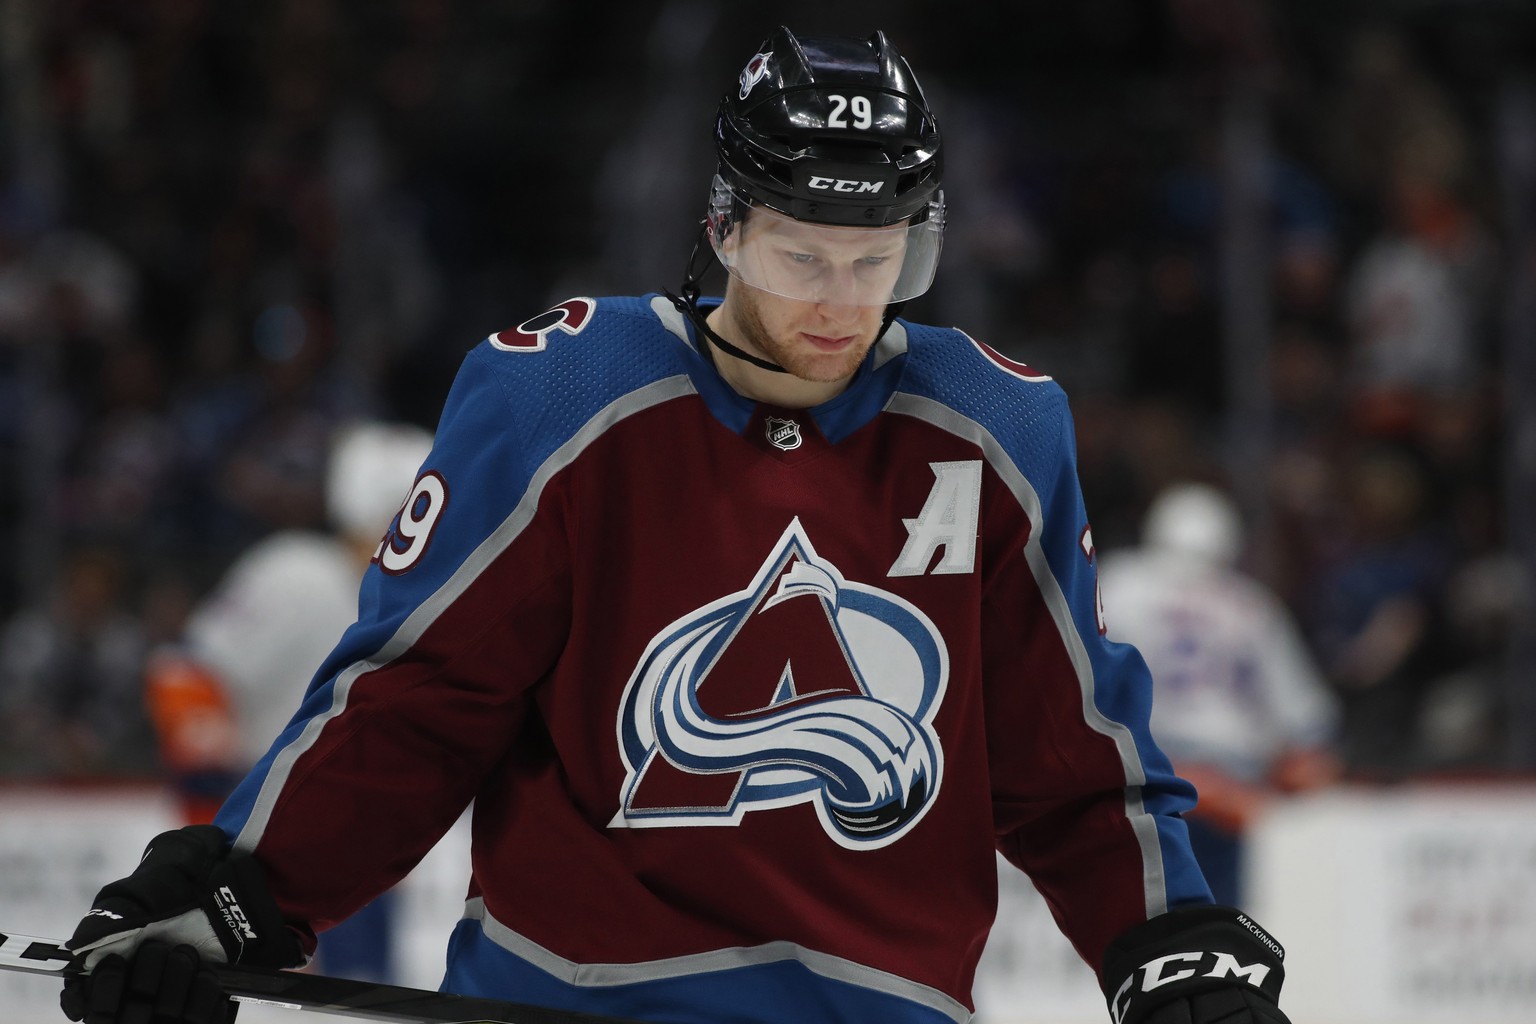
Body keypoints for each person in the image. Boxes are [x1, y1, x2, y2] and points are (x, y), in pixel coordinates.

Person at [58, 28, 1295, 1024]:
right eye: (803, 256)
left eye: (881, 262)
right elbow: (420, 701)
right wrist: (234, 892)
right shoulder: (564, 395)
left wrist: (1165, 934)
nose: (842, 306)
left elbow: (1067, 750)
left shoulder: (998, 427)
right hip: (572, 997)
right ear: (725, 228)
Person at [141, 420, 436, 982]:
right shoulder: (299, 574)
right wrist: (215, 841)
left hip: (361, 853)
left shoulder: (411, 603)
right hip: (272, 852)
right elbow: (184, 674)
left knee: (366, 1004)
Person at [1097, 482, 1342, 906]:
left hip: (1136, 776)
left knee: (1132, 932)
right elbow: (1306, 728)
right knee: (1214, 936)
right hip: (1230, 786)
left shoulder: (1117, 582)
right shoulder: (1251, 605)